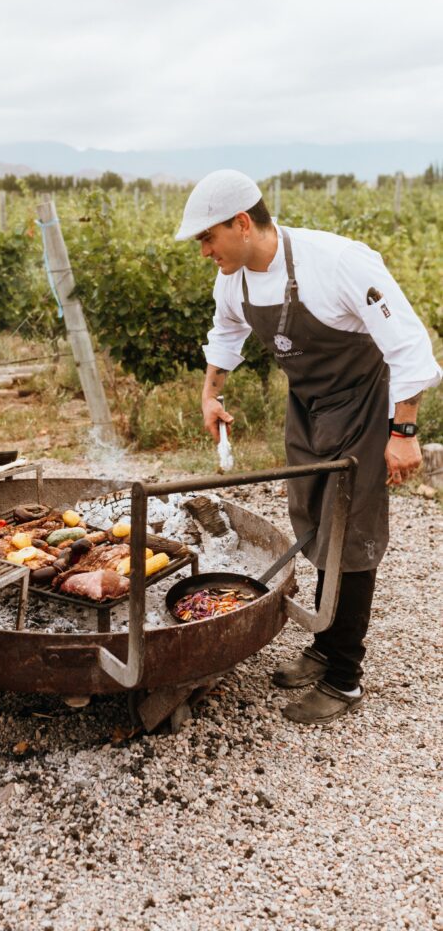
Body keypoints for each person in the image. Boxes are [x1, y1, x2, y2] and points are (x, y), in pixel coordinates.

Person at [176, 170, 441, 725]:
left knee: (356, 531)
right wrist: (209, 395)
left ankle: (344, 676)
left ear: (242, 223)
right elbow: (226, 335)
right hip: (308, 405)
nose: (204, 251)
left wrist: (403, 433)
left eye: (208, 238)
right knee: (318, 522)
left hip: (366, 405)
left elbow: (409, 345)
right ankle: (324, 644)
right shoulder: (236, 278)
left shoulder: (338, 262)